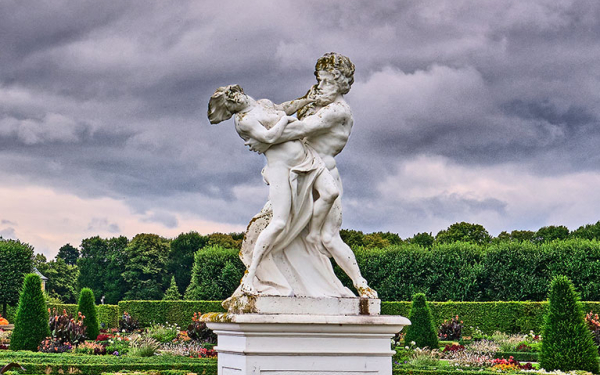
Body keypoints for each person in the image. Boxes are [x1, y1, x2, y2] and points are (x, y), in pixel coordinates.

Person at [245, 53, 378, 298]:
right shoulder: (314, 104)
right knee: (275, 226)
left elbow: (299, 128)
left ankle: (361, 283)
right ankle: (261, 280)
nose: (321, 86)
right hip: (297, 173)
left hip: (324, 172)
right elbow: (281, 115)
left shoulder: (338, 110)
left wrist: (259, 136)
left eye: (328, 82)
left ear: (341, 85)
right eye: (320, 80)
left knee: (329, 236)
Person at [208, 84, 340, 295]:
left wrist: (306, 100)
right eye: (232, 104)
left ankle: (313, 235)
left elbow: (283, 107)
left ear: (239, 92)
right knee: (279, 222)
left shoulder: (262, 103)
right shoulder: (243, 121)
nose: (237, 102)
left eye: (236, 97)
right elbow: (269, 138)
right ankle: (250, 276)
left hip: (307, 158)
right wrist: (287, 121)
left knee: (331, 193)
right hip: (281, 167)